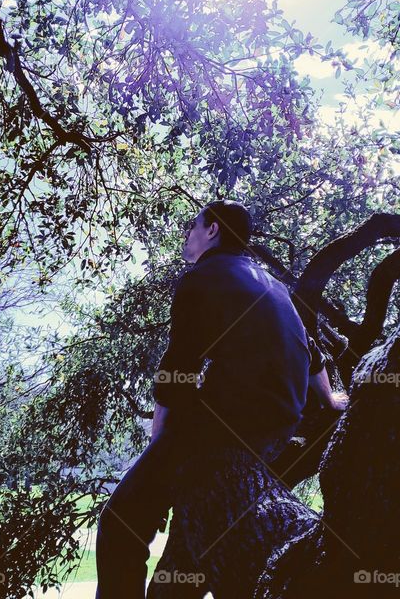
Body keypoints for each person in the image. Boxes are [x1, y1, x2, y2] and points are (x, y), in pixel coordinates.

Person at [95, 199, 345, 598]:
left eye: (193, 227)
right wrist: (330, 400)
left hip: (223, 429)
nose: (187, 236)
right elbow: (311, 353)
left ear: (212, 230)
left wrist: (159, 450)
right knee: (193, 545)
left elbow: (178, 370)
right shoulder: (275, 285)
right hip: (277, 430)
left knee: (119, 525)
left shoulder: (202, 276)